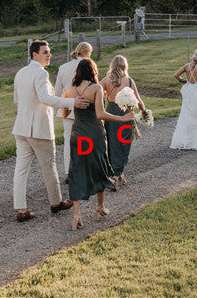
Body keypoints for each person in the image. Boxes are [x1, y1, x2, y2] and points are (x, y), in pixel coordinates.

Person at [11, 40, 88, 222]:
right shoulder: (40, 73)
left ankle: (21, 209)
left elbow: (17, 100)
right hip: (38, 129)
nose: (49, 55)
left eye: (49, 52)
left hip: (21, 128)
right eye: (45, 52)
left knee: (21, 170)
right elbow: (46, 98)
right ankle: (56, 202)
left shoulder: (21, 72)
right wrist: (72, 103)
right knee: (49, 166)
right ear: (35, 54)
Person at [64, 58, 134, 230]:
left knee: (77, 170)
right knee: (100, 168)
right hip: (94, 134)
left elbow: (65, 114)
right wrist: (122, 118)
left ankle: (76, 216)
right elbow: (101, 114)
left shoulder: (69, 90)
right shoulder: (95, 88)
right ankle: (100, 207)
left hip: (78, 134)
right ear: (93, 71)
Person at [98, 55, 146, 188]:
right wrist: (144, 110)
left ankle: (118, 173)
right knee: (124, 146)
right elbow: (138, 100)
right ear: (125, 66)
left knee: (112, 145)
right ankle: (116, 175)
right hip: (125, 115)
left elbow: (96, 93)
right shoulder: (129, 81)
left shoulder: (106, 81)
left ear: (112, 65)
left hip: (110, 114)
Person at [54, 42, 92, 184]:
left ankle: (68, 173)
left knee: (68, 141)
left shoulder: (63, 67)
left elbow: (57, 92)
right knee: (85, 140)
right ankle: (84, 171)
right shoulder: (89, 65)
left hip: (66, 108)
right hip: (83, 107)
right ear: (88, 53)